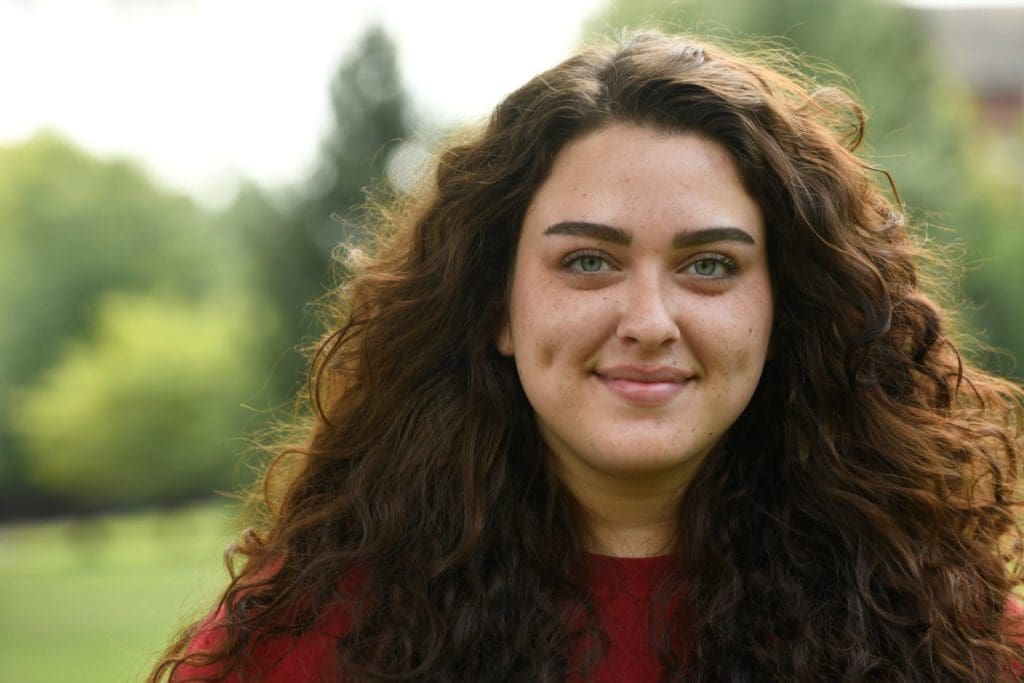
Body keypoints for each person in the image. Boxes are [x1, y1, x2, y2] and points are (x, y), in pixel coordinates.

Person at [151, 30, 1024, 681]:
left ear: (781, 309)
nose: (649, 319)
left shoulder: (941, 627)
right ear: (497, 303)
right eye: (589, 261)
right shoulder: (316, 630)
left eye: (709, 265)